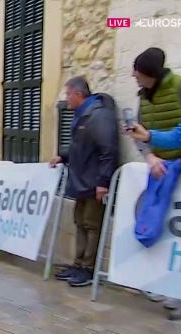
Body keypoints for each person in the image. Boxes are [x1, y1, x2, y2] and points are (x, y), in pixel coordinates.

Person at [131, 47, 181, 310]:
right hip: (159, 170)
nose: (133, 76)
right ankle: (159, 281)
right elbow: (138, 133)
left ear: (150, 74)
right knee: (162, 224)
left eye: (137, 73)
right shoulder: (143, 97)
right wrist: (150, 158)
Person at [50, 77, 119, 287]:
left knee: (91, 225)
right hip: (81, 181)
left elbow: (108, 150)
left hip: (93, 182)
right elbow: (79, 147)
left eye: (68, 94)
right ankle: (78, 264)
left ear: (78, 94)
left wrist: (103, 181)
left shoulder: (98, 116)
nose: (66, 99)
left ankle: (88, 269)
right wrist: (63, 156)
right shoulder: (83, 116)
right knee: (80, 223)